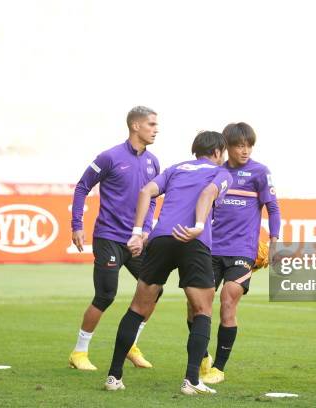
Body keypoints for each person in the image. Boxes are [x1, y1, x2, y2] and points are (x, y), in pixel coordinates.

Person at [104, 131, 233, 396]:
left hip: (160, 239)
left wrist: (137, 231)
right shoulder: (221, 173)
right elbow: (209, 193)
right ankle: (191, 380)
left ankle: (114, 375)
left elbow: (146, 191)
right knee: (202, 311)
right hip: (192, 242)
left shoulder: (175, 169)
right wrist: (198, 226)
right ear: (219, 152)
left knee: (138, 307)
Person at [68, 106, 160, 371]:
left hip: (136, 241)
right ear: (135, 126)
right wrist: (77, 224)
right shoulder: (109, 157)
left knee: (154, 289)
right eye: (151, 124)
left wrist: (145, 229)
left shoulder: (154, 161)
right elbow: (82, 187)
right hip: (108, 237)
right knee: (106, 295)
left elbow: (153, 198)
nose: (156, 129)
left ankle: (131, 344)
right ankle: (79, 352)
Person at [192, 122, 281, 384]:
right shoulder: (216, 173)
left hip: (242, 251)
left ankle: (218, 368)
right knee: (197, 305)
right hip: (210, 249)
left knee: (228, 302)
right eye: (239, 145)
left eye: (249, 145)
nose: (245, 150)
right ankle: (204, 356)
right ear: (226, 147)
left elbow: (273, 209)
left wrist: (274, 241)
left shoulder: (260, 173)